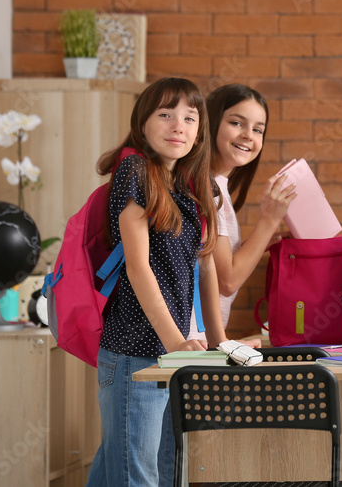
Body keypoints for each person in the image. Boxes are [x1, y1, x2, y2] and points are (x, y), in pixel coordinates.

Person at [86, 77, 220, 487]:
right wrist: (178, 344)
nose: (177, 125)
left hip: (167, 354)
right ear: (142, 124)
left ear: (199, 134)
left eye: (189, 117)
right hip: (134, 352)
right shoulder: (136, 171)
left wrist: (219, 340)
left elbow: (203, 264)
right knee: (136, 477)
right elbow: (137, 268)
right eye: (165, 114)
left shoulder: (189, 186)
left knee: (135, 471)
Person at [186, 83, 296, 344]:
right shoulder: (206, 189)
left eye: (258, 129)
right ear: (211, 123)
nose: (249, 135)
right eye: (237, 123)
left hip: (200, 342)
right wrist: (268, 221)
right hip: (189, 343)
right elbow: (228, 281)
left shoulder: (217, 186)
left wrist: (258, 244)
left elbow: (214, 262)